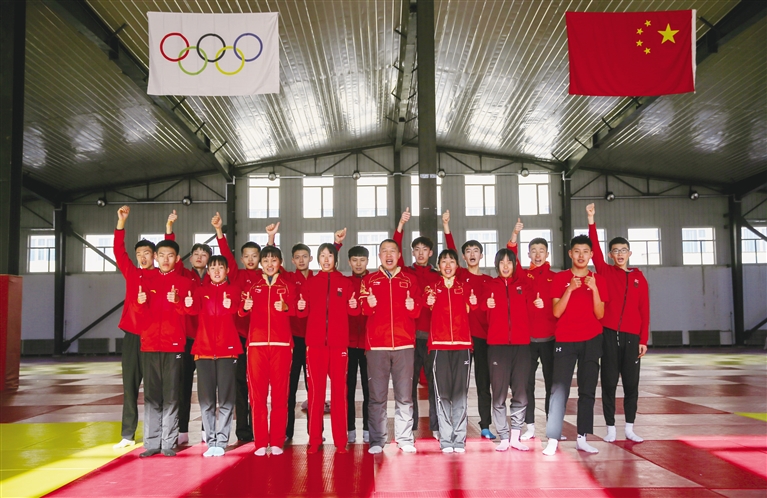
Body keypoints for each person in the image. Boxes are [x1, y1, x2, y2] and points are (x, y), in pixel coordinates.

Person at [586, 203, 649, 443]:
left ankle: (630, 428)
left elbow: (644, 310)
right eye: (615, 250)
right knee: (609, 384)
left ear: (629, 253)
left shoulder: (639, 278)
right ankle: (610, 428)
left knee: (632, 385)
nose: (620, 254)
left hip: (632, 338)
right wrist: (591, 221)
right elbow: (595, 250)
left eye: (623, 250)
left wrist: (643, 339)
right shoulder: (605, 271)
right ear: (611, 255)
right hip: (609, 335)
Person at [543, 235, 609, 456]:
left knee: (587, 390)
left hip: (591, 339)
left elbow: (600, 314)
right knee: (558, 390)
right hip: (565, 339)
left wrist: (594, 289)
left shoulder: (598, 280)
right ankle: (553, 439)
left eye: (585, 251)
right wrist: (569, 289)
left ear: (591, 254)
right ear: (570, 254)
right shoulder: (560, 278)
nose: (581, 255)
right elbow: (556, 312)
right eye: (577, 251)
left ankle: (582, 438)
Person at [361, 239, 422, 454]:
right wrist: (368, 305)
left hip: (404, 344)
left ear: (399, 255)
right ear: (379, 255)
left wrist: (413, 306)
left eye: (392, 251)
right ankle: (377, 440)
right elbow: (362, 310)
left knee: (404, 396)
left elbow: (418, 311)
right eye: (384, 251)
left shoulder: (410, 280)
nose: (388, 255)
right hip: (376, 346)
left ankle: (405, 438)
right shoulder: (369, 280)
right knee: (377, 397)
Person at [240, 246, 302, 456]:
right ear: (261, 263)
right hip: (256, 346)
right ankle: (260, 442)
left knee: (280, 395)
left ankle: (276, 440)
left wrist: (286, 308)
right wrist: (245, 307)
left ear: (279, 263)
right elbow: (241, 311)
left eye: (273, 260)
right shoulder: (252, 286)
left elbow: (297, 310)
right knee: (257, 396)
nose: (269, 264)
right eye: (265, 260)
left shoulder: (288, 286)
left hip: (281, 345)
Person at [298, 243, 360, 454]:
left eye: (329, 255)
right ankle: (314, 439)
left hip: (339, 346)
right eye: (322, 256)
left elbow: (354, 311)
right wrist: (300, 307)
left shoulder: (345, 283)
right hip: (315, 346)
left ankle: (340, 441)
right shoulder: (310, 283)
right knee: (315, 394)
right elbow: (302, 313)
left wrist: (353, 306)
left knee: (339, 394)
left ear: (335, 259)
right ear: (318, 259)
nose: (326, 259)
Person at [136, 239, 192, 457]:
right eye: (161, 255)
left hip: (174, 345)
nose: (165, 259)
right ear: (155, 257)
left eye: (170, 255)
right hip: (150, 344)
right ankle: (151, 442)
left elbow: (190, 312)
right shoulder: (145, 281)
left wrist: (178, 301)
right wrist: (139, 303)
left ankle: (168, 441)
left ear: (177, 259)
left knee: (171, 394)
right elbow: (138, 314)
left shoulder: (184, 283)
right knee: (151, 396)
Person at [442, 211, 496, 440]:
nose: (472, 254)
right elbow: (450, 251)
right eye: (468, 251)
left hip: (483, 340)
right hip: (462, 338)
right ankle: (456, 424)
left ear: (481, 255)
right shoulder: (460, 274)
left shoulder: (489, 281)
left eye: (476, 251)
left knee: (484, 384)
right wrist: (446, 227)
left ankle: (485, 425)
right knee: (458, 386)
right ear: (463, 257)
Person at [183, 254, 242, 457]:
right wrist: (187, 303)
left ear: (227, 270)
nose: (217, 271)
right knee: (206, 401)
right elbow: (191, 311)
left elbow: (239, 310)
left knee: (226, 400)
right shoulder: (201, 291)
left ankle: (222, 441)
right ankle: (211, 441)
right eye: (213, 268)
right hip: (203, 351)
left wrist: (230, 305)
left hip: (228, 350)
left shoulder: (234, 290)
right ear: (208, 271)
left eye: (221, 267)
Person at [480, 248, 537, 452]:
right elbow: (480, 310)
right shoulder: (489, 286)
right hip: (497, 347)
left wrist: (538, 304)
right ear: (497, 265)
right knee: (499, 394)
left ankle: (515, 437)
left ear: (514, 265)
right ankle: (503, 436)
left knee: (520, 393)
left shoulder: (524, 286)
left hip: (521, 346)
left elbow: (533, 310)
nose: (506, 266)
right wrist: (485, 304)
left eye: (509, 262)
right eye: (502, 262)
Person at [507, 218, 558, 441]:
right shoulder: (523, 275)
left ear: (547, 254)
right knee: (525, 384)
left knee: (552, 385)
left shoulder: (556, 278)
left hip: (550, 340)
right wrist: (515, 234)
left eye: (541, 251)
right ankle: (529, 426)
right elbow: (511, 256)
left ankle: (552, 425)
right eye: (534, 251)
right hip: (527, 341)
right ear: (528, 254)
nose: (537, 254)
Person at [112, 205, 159, 449]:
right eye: (139, 253)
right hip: (132, 336)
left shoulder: (162, 277)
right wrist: (121, 223)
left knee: (153, 388)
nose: (142, 257)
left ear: (154, 256)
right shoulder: (132, 273)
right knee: (129, 386)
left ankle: (154, 434)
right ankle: (127, 434)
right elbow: (118, 251)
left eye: (147, 253)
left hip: (153, 338)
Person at [393, 207, 441, 438]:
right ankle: (409, 427)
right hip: (410, 338)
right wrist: (400, 226)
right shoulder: (405, 272)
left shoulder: (438, 276)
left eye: (424, 250)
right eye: (417, 250)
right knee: (408, 384)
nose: (420, 253)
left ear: (430, 253)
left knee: (434, 384)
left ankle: (437, 427)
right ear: (412, 252)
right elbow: (394, 250)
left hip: (431, 338)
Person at [424, 249, 477, 453]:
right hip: (439, 346)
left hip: (463, 346)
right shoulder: (431, 288)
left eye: (451, 261)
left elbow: (476, 306)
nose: (448, 265)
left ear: (457, 265)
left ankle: (459, 439)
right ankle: (446, 439)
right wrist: (427, 302)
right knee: (442, 394)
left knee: (460, 394)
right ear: (438, 266)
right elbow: (422, 305)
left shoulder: (465, 287)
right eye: (444, 261)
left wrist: (474, 303)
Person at [165, 210, 210, 445]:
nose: (200, 257)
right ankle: (182, 429)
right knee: (182, 385)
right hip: (185, 340)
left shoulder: (215, 278)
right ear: (190, 258)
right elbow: (170, 254)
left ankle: (206, 429)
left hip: (207, 341)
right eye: (196, 254)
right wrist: (169, 229)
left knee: (207, 388)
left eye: (204, 254)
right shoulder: (183, 275)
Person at [346, 245, 371, 444]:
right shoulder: (345, 283)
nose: (358, 264)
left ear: (367, 261)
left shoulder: (374, 282)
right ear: (349, 262)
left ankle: (368, 429)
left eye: (362, 260)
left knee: (369, 389)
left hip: (369, 345)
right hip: (348, 343)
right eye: (354, 260)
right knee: (349, 389)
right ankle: (350, 429)